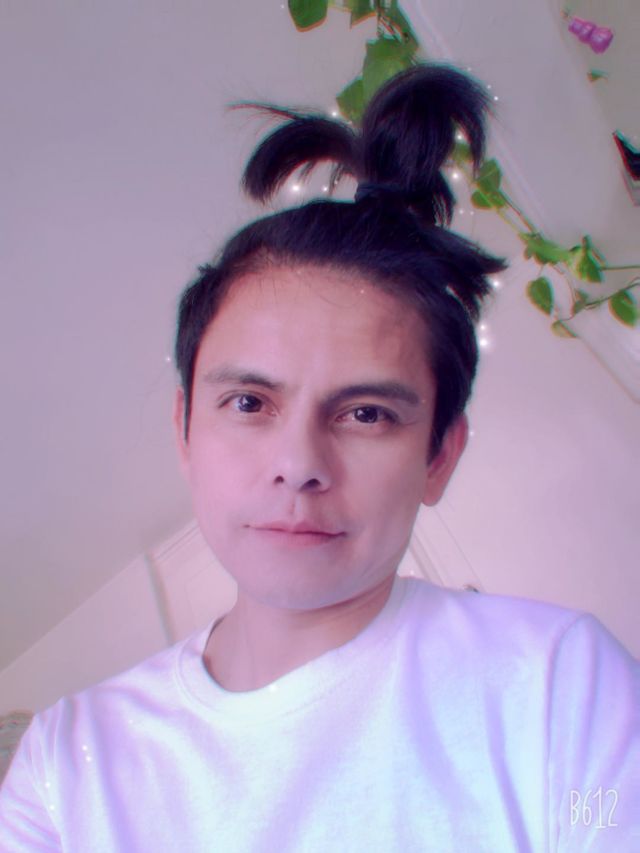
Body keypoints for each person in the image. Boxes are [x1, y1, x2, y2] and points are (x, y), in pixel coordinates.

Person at [0, 64, 637, 852]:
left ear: (440, 455)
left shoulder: (559, 688)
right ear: (185, 428)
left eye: (366, 413)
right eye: (249, 402)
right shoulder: (64, 767)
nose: (298, 462)